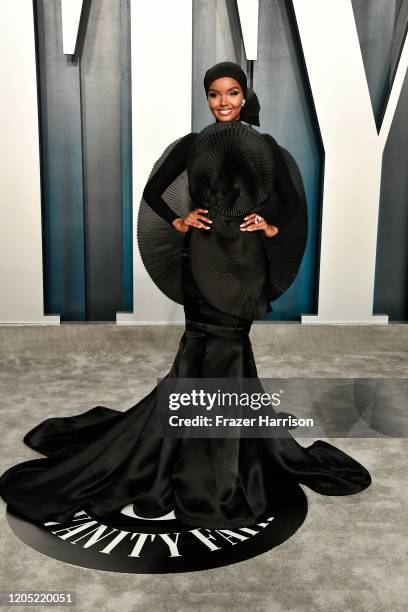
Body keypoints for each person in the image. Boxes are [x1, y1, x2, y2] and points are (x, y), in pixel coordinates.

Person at [0, 62, 371, 530]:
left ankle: (221, 448)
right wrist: (179, 220)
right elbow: (156, 191)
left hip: (246, 265)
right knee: (203, 348)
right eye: (214, 94)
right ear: (207, 98)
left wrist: (270, 225)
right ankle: (202, 460)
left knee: (230, 351)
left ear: (244, 95)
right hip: (200, 261)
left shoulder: (267, 147)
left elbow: (291, 202)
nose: (223, 102)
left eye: (232, 93)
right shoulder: (193, 147)